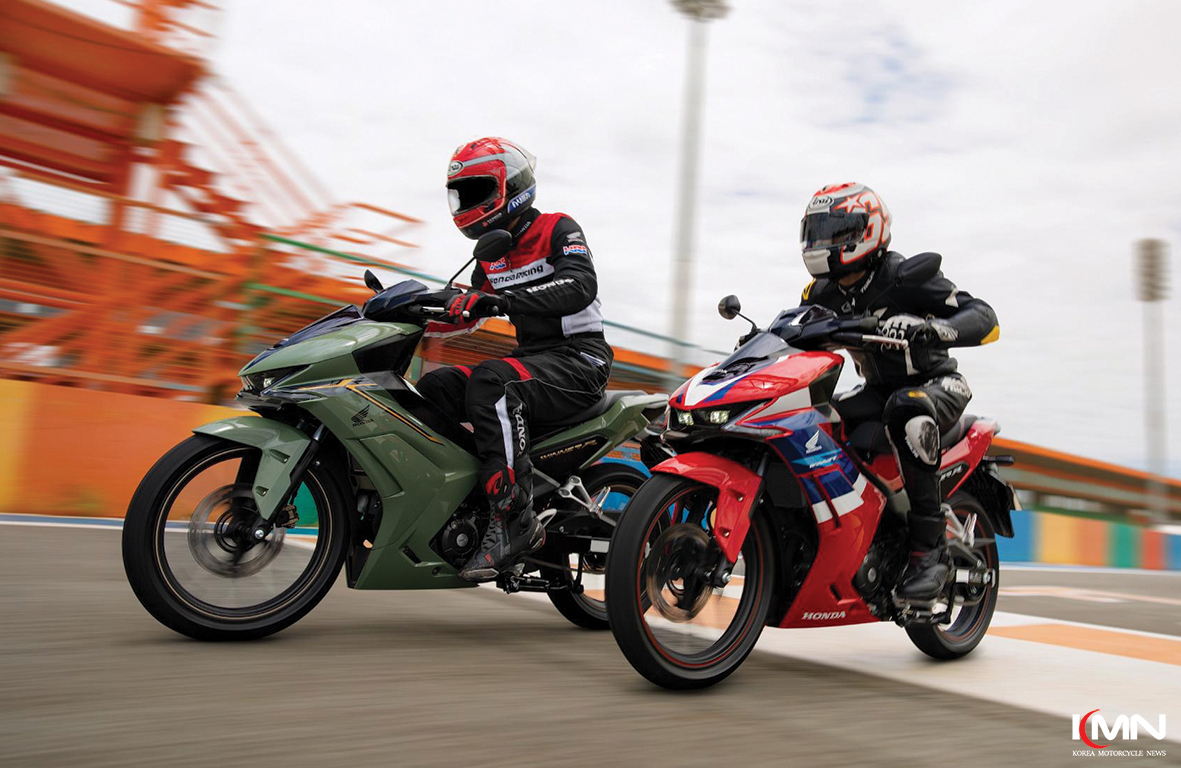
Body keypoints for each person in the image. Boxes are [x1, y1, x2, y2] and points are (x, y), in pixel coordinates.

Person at [417, 137, 613, 582]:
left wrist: (504, 300)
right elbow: (467, 310)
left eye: (477, 191)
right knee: (435, 387)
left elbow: (580, 285)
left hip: (581, 361)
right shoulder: (491, 255)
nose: (467, 202)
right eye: (462, 194)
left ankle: (513, 519)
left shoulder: (559, 228)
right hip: (533, 362)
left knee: (493, 381)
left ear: (511, 187)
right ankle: (461, 505)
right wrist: (411, 311)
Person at [795, 182, 999, 600]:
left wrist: (935, 329)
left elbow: (985, 317)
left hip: (936, 385)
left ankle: (930, 552)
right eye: (817, 232)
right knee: (810, 418)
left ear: (869, 230)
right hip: (877, 391)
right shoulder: (821, 292)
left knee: (906, 408)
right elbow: (798, 330)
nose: (823, 242)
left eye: (836, 231)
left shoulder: (904, 277)